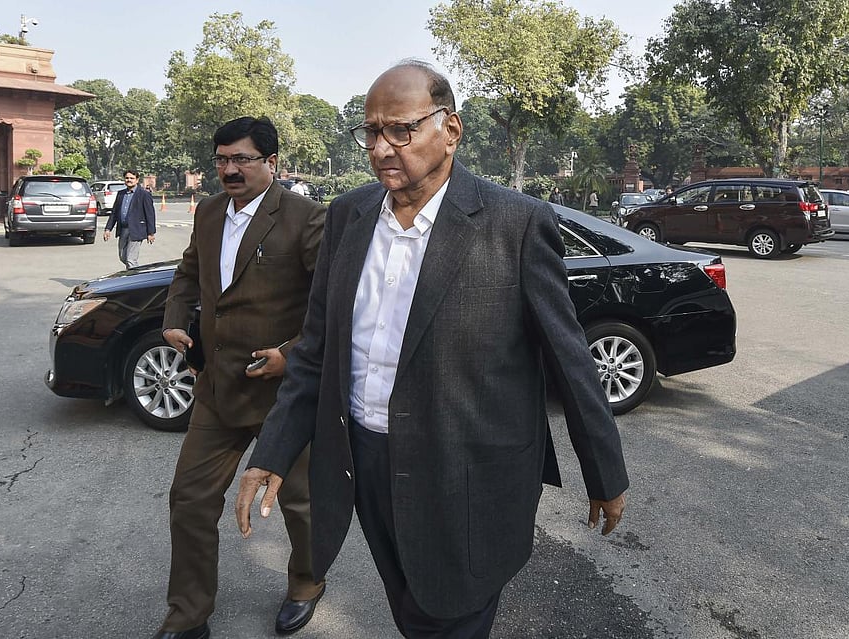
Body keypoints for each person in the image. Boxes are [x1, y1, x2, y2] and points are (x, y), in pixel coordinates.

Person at [235, 61, 628, 639]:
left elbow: (570, 362)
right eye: (371, 132)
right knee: (411, 602)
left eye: (401, 129)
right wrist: (271, 451)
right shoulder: (347, 217)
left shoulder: (515, 224)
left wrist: (604, 471)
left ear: (451, 129)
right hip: (363, 462)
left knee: (450, 613)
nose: (382, 147)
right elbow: (317, 351)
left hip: (467, 473)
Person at [154, 116, 327, 639]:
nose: (229, 170)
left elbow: (332, 305)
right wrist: (174, 322)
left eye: (242, 160)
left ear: (271, 162)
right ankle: (188, 615)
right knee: (189, 500)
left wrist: (290, 354)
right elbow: (187, 274)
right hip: (216, 389)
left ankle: (306, 583)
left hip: (283, 396)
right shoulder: (207, 214)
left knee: (300, 504)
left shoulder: (305, 217)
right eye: (222, 159)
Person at [103, 169, 156, 268]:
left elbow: (150, 214)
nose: (129, 180)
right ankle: (133, 275)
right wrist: (108, 229)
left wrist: (151, 232)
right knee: (123, 256)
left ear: (137, 180)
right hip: (123, 229)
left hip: (136, 229)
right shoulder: (121, 194)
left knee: (131, 259)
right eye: (127, 178)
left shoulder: (144, 194)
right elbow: (114, 213)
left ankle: (135, 280)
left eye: (132, 178)